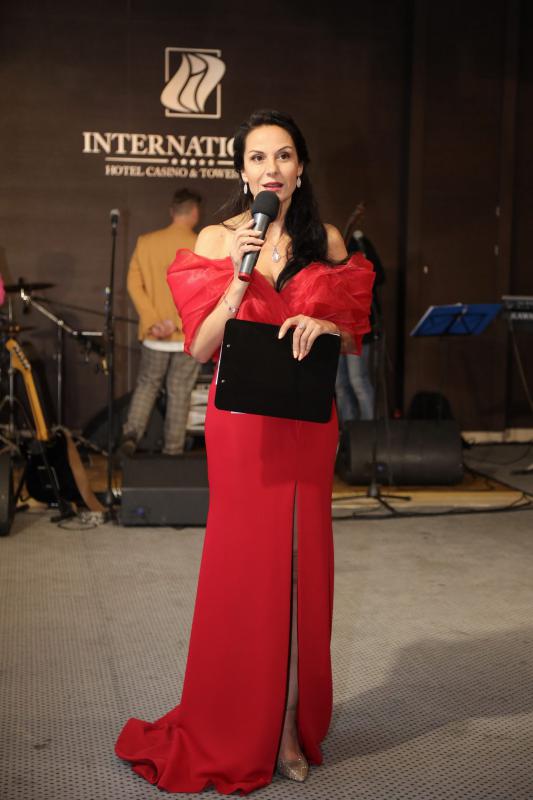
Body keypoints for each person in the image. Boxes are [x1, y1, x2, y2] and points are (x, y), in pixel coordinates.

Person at [115, 109, 374, 793]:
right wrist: (237, 277)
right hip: (243, 427)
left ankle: (287, 722)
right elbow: (200, 346)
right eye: (257, 157)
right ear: (241, 170)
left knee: (301, 571)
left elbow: (352, 333)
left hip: (308, 423)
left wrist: (324, 323)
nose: (271, 168)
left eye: (283, 155)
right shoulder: (216, 237)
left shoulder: (326, 239)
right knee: (249, 572)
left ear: (300, 168)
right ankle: (237, 718)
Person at [120, 188, 202, 456]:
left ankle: (131, 435)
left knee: (147, 385)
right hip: (187, 334)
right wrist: (176, 323)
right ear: (194, 212)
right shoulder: (201, 244)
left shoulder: (146, 242)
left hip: (156, 335)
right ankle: (173, 451)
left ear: (171, 211)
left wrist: (154, 321)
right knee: (180, 391)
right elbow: (203, 290)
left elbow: (134, 284)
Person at [335, 201, 386, 424]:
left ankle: (368, 431)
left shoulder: (361, 246)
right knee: (340, 384)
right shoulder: (329, 253)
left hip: (358, 326)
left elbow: (379, 276)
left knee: (358, 381)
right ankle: (349, 433)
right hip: (336, 326)